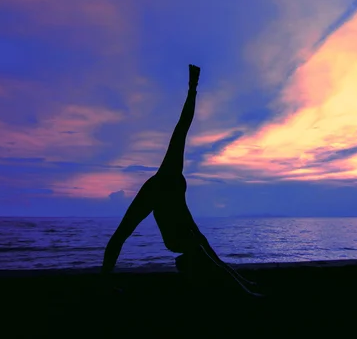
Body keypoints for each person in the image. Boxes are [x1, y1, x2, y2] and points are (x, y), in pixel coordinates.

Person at [101, 64, 262, 297]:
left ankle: (241, 284)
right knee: (124, 235)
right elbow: (182, 125)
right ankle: (243, 289)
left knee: (204, 246)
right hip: (175, 237)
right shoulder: (161, 181)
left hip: (181, 234)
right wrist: (192, 88)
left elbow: (187, 219)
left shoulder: (176, 181)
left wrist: (240, 278)